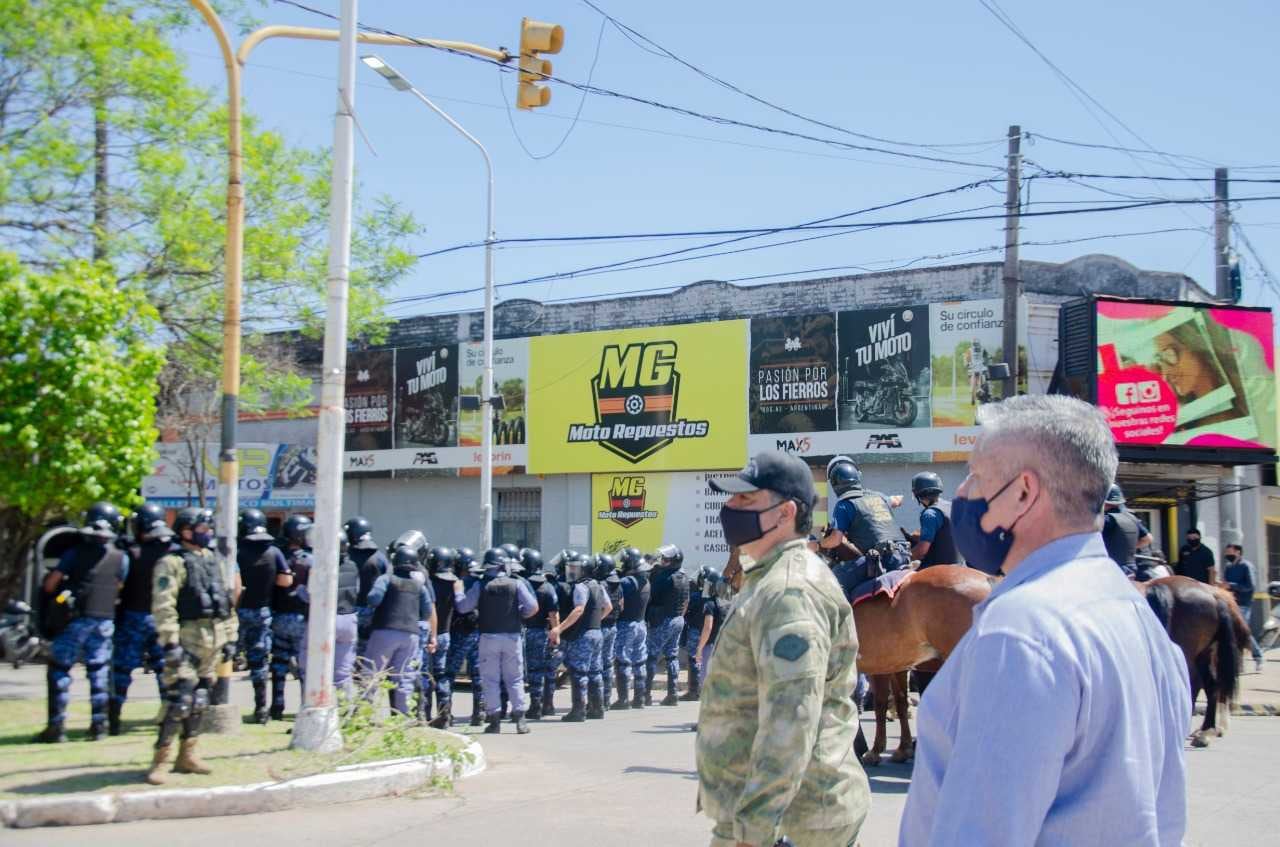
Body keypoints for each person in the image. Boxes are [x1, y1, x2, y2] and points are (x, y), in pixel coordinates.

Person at [899, 395, 1191, 846]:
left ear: (1022, 492)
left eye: (975, 477)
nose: (962, 494)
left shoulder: (1020, 629)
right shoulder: (1138, 615)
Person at [697, 452, 869, 847]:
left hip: (791, 821)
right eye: (731, 499)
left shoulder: (788, 590)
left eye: (745, 499)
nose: (729, 508)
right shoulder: (769, 578)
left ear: (784, 513)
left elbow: (792, 719)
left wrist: (754, 831)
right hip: (782, 814)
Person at [146, 507, 234, 784]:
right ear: (185, 531)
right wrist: (170, 642)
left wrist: (230, 637)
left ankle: (188, 755)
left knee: (200, 700)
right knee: (179, 700)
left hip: (213, 637)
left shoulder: (211, 559)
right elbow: (163, 605)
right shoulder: (171, 562)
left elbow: (226, 601)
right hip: (187, 637)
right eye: (202, 529)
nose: (206, 534)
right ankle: (160, 760)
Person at [38, 502, 129, 743]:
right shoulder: (121, 558)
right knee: (99, 671)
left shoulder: (74, 553)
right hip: (104, 621)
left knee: (59, 669)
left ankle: (56, 727)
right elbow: (119, 585)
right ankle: (99, 726)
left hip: (75, 620)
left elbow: (50, 584)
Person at [454, 548, 537, 733]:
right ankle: (520, 720)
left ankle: (494, 721)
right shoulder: (516, 583)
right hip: (512, 637)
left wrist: (458, 592)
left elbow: (463, 608)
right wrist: (519, 614)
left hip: (488, 637)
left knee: (490, 679)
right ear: (503, 564)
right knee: (515, 678)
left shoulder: (480, 585)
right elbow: (532, 607)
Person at [109, 503, 172, 736]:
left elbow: (118, 585)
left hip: (133, 617)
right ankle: (168, 718)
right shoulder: (171, 552)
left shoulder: (130, 553)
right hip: (162, 618)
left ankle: (112, 718)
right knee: (165, 670)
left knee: (122, 669)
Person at [235, 508, 292, 723]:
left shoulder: (237, 550)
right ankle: (261, 709)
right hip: (263, 612)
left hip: (238, 611)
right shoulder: (274, 552)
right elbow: (285, 581)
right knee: (260, 663)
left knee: (222, 658)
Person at [364, 547, 434, 715]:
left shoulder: (386, 579)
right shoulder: (419, 586)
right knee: (404, 677)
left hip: (385, 631)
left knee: (371, 674)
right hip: (411, 635)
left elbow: (373, 598)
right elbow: (427, 613)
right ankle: (403, 716)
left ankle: (363, 714)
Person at [549, 551, 612, 722]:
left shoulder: (580, 587)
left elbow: (579, 609)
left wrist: (559, 629)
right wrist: (595, 621)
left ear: (585, 570)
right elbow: (609, 607)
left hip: (583, 635)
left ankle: (578, 711)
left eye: (576, 568)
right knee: (595, 671)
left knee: (579, 672)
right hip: (597, 632)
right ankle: (597, 709)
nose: (572, 571)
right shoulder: (599, 585)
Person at [820, 457, 906, 572]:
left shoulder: (844, 505)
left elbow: (836, 540)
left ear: (834, 484)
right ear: (858, 477)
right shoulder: (878, 496)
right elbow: (897, 500)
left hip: (881, 559)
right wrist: (896, 499)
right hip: (904, 554)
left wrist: (818, 544)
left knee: (836, 579)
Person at [269, 514, 312, 720]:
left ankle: (276, 706)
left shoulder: (278, 555)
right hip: (302, 619)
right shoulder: (311, 559)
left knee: (278, 665)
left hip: (279, 616)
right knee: (304, 666)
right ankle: (306, 705)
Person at [444, 547, 486, 726]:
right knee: (478, 674)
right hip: (479, 631)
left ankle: (445, 712)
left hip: (460, 633)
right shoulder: (480, 580)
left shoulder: (456, 582)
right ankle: (479, 713)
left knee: (449, 673)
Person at [644, 544, 689, 706]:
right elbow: (685, 601)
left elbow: (651, 594)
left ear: (673, 561)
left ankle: (645, 694)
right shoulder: (683, 576)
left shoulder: (665, 577)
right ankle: (672, 694)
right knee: (672, 656)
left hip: (663, 620)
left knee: (651, 656)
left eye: (666, 559)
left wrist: (651, 574)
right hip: (677, 618)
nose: (663, 561)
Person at [522, 548, 559, 720]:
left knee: (532, 671)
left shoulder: (522, 583)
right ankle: (547, 705)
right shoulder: (548, 587)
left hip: (525, 631)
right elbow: (553, 613)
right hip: (543, 632)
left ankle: (535, 705)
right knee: (547, 669)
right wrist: (555, 632)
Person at [611, 547, 650, 710]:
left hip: (626, 624)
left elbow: (619, 603)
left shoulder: (626, 582)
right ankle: (639, 699)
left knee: (623, 661)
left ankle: (623, 700)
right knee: (639, 660)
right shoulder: (646, 580)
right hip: (640, 624)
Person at [424, 546, 458, 726]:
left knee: (427, 675)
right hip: (445, 634)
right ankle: (445, 713)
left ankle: (426, 714)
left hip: (429, 635)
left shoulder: (429, 582)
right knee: (441, 674)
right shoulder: (454, 584)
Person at [347, 515, 390, 657]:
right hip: (372, 611)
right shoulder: (379, 557)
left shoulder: (345, 555)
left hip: (347, 611)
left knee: (347, 650)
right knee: (367, 650)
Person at [904, 471, 960, 568]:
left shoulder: (929, 514)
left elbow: (922, 551)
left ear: (917, 494)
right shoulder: (951, 506)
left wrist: (902, 559)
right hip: (958, 565)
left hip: (937, 568)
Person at [1223, 544, 1265, 672]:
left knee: (1243, 631)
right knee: (1233, 632)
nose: (1227, 554)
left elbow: (1250, 586)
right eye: (1226, 552)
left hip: (1244, 604)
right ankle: (1238, 663)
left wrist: (1231, 585)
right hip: (1231, 603)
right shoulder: (1229, 567)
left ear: (1238, 552)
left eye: (1230, 552)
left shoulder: (1246, 566)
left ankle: (1258, 657)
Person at [1100, 485, 1153, 578]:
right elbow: (1148, 538)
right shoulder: (1132, 518)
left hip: (1111, 568)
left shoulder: (1106, 520)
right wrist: (1128, 548)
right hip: (1131, 568)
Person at [681, 565, 714, 701]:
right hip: (709, 635)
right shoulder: (714, 599)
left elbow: (684, 611)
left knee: (694, 660)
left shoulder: (695, 596)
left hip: (695, 631)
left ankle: (693, 691)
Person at [595, 553, 623, 710]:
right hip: (613, 626)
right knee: (607, 663)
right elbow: (621, 604)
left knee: (598, 664)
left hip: (602, 626)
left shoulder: (601, 585)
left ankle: (599, 700)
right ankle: (606, 699)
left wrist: (596, 620)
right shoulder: (618, 583)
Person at [693, 570, 728, 689]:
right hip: (723, 646)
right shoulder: (725, 604)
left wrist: (699, 648)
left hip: (710, 647)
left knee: (706, 684)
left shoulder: (709, 604)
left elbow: (708, 627)